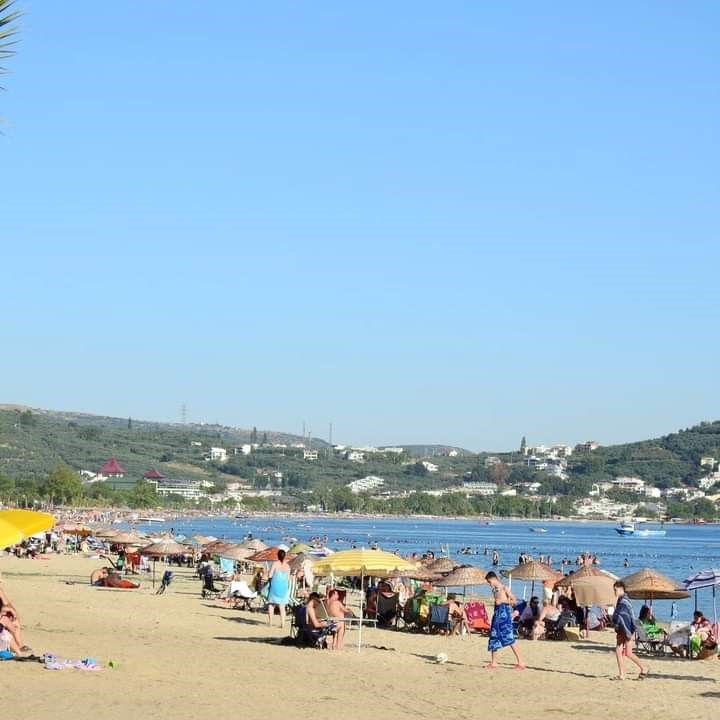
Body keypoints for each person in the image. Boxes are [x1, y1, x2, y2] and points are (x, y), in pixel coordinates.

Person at [485, 571, 525, 669]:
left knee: (509, 637)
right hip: (497, 614)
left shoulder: (504, 588)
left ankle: (521, 662)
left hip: (504, 614)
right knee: (494, 636)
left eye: (489, 582)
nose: (489, 585)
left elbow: (515, 601)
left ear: (493, 579)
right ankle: (494, 662)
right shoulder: (494, 590)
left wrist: (502, 601)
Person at [611, 580, 647, 680]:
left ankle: (644, 668)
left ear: (621, 589)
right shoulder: (622, 600)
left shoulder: (623, 601)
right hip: (624, 629)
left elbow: (623, 616)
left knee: (627, 652)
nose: (614, 592)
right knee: (620, 650)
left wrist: (618, 620)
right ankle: (622, 674)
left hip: (626, 629)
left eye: (615, 590)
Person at [266, 549, 291, 629]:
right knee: (282, 606)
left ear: (278, 556)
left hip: (275, 585)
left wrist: (270, 580)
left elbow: (270, 575)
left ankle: (270, 622)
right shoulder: (287, 566)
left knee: (271, 604)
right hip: (284, 586)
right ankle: (283, 623)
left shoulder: (275, 564)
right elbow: (288, 578)